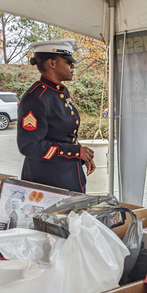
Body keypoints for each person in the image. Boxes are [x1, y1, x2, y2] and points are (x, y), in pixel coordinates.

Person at [16, 38, 95, 192]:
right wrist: (75, 152)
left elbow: (62, 135)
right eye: (68, 62)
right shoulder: (36, 98)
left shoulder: (61, 92)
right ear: (52, 63)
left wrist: (80, 156)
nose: (72, 66)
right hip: (48, 184)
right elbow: (29, 146)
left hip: (70, 177)